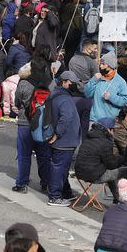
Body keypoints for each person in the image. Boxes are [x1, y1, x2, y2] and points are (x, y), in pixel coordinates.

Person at [45, 71, 82, 206]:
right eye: (71, 83)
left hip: (62, 139)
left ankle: (65, 192)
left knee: (61, 167)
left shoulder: (55, 95)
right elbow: (65, 118)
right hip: (64, 140)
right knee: (59, 168)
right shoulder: (65, 99)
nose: (74, 85)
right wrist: (57, 134)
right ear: (64, 82)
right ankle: (55, 196)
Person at [74, 117, 126, 203]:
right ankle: (126, 201)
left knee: (109, 172)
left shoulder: (88, 138)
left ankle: (117, 198)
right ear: (108, 130)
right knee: (126, 170)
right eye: (113, 129)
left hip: (79, 173)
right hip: (92, 176)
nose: (114, 132)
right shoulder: (105, 142)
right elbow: (111, 164)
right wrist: (123, 158)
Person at [85, 51, 127, 123]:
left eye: (103, 64)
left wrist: (112, 97)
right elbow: (87, 94)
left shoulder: (120, 81)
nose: (100, 66)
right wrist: (93, 80)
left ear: (110, 66)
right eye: (100, 64)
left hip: (111, 121)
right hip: (95, 120)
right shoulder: (97, 78)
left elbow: (125, 100)